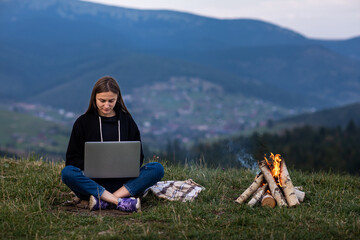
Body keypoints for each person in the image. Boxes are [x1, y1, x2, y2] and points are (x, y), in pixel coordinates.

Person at [61, 76, 164, 212]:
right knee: (67, 173)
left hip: (123, 184)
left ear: (118, 98)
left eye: (111, 101)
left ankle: (104, 201)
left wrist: (123, 165)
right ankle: (118, 202)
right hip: (92, 184)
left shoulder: (127, 121)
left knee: (157, 168)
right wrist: (95, 165)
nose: (107, 105)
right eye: (102, 101)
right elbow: (72, 160)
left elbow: (138, 157)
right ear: (94, 98)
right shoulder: (83, 122)